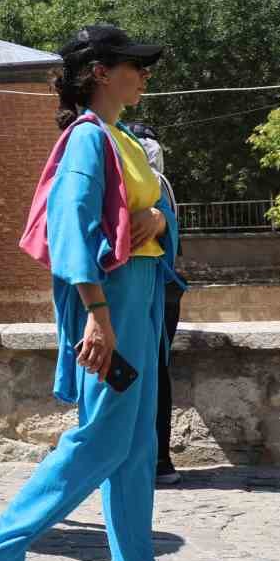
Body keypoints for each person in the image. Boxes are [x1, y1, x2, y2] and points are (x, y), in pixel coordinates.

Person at [0, 24, 223, 561]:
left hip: (138, 298)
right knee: (104, 437)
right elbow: (72, 229)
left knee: (134, 445)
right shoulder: (87, 139)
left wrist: (155, 219)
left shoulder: (120, 135)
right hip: (112, 303)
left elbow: (141, 215)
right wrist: (97, 317)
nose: (145, 74)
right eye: (134, 64)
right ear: (100, 72)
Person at [126, 121, 184, 486]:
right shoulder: (160, 182)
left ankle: (154, 458)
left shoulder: (151, 185)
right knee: (153, 370)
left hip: (151, 288)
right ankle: (156, 458)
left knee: (148, 370)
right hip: (159, 288)